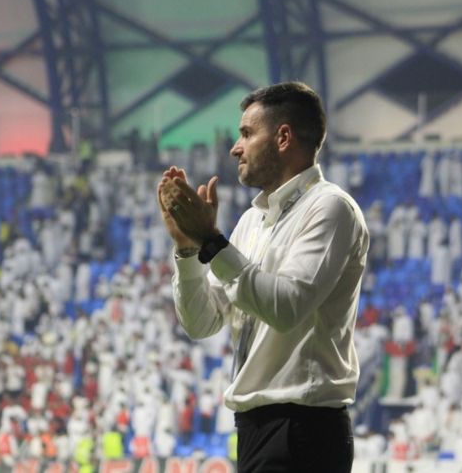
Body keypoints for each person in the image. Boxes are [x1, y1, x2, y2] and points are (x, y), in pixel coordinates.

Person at [157, 81, 368, 472]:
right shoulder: (252, 222)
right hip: (255, 430)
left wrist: (212, 242)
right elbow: (201, 323)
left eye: (247, 133)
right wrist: (188, 250)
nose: (235, 148)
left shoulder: (330, 208)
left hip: (303, 428)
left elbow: (286, 308)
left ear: (283, 137)